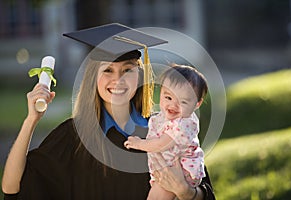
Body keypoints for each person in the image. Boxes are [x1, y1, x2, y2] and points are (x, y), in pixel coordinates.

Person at [1, 23, 216, 200]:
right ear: (94, 78)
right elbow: (12, 187)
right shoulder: (73, 136)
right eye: (108, 70)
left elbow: (205, 193)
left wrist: (185, 192)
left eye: (127, 70)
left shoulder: (163, 130)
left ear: (140, 76)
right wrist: (31, 120)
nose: (118, 80)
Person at [124, 65, 207, 200]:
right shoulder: (166, 118)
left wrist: (139, 144)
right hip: (171, 168)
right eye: (168, 97)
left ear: (197, 104)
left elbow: (161, 144)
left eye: (183, 101)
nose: (173, 105)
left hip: (179, 171)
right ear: (161, 92)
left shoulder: (183, 124)